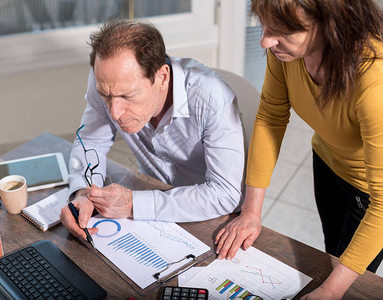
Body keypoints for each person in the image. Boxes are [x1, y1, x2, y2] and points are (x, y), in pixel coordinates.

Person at [215, 0, 383, 298]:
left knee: (349, 282)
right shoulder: (284, 53)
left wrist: (331, 291)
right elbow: (271, 116)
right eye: (265, 25)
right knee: (333, 252)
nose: (265, 41)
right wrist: (250, 211)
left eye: (282, 31)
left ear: (330, 25)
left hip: (373, 193)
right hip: (328, 161)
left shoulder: (375, 83)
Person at [60, 19, 245, 242]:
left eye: (127, 96)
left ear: (162, 77)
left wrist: (133, 204)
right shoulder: (108, 80)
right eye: (106, 96)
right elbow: (91, 141)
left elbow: (224, 193)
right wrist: (83, 193)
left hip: (211, 217)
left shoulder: (212, 98)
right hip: (148, 201)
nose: (115, 112)